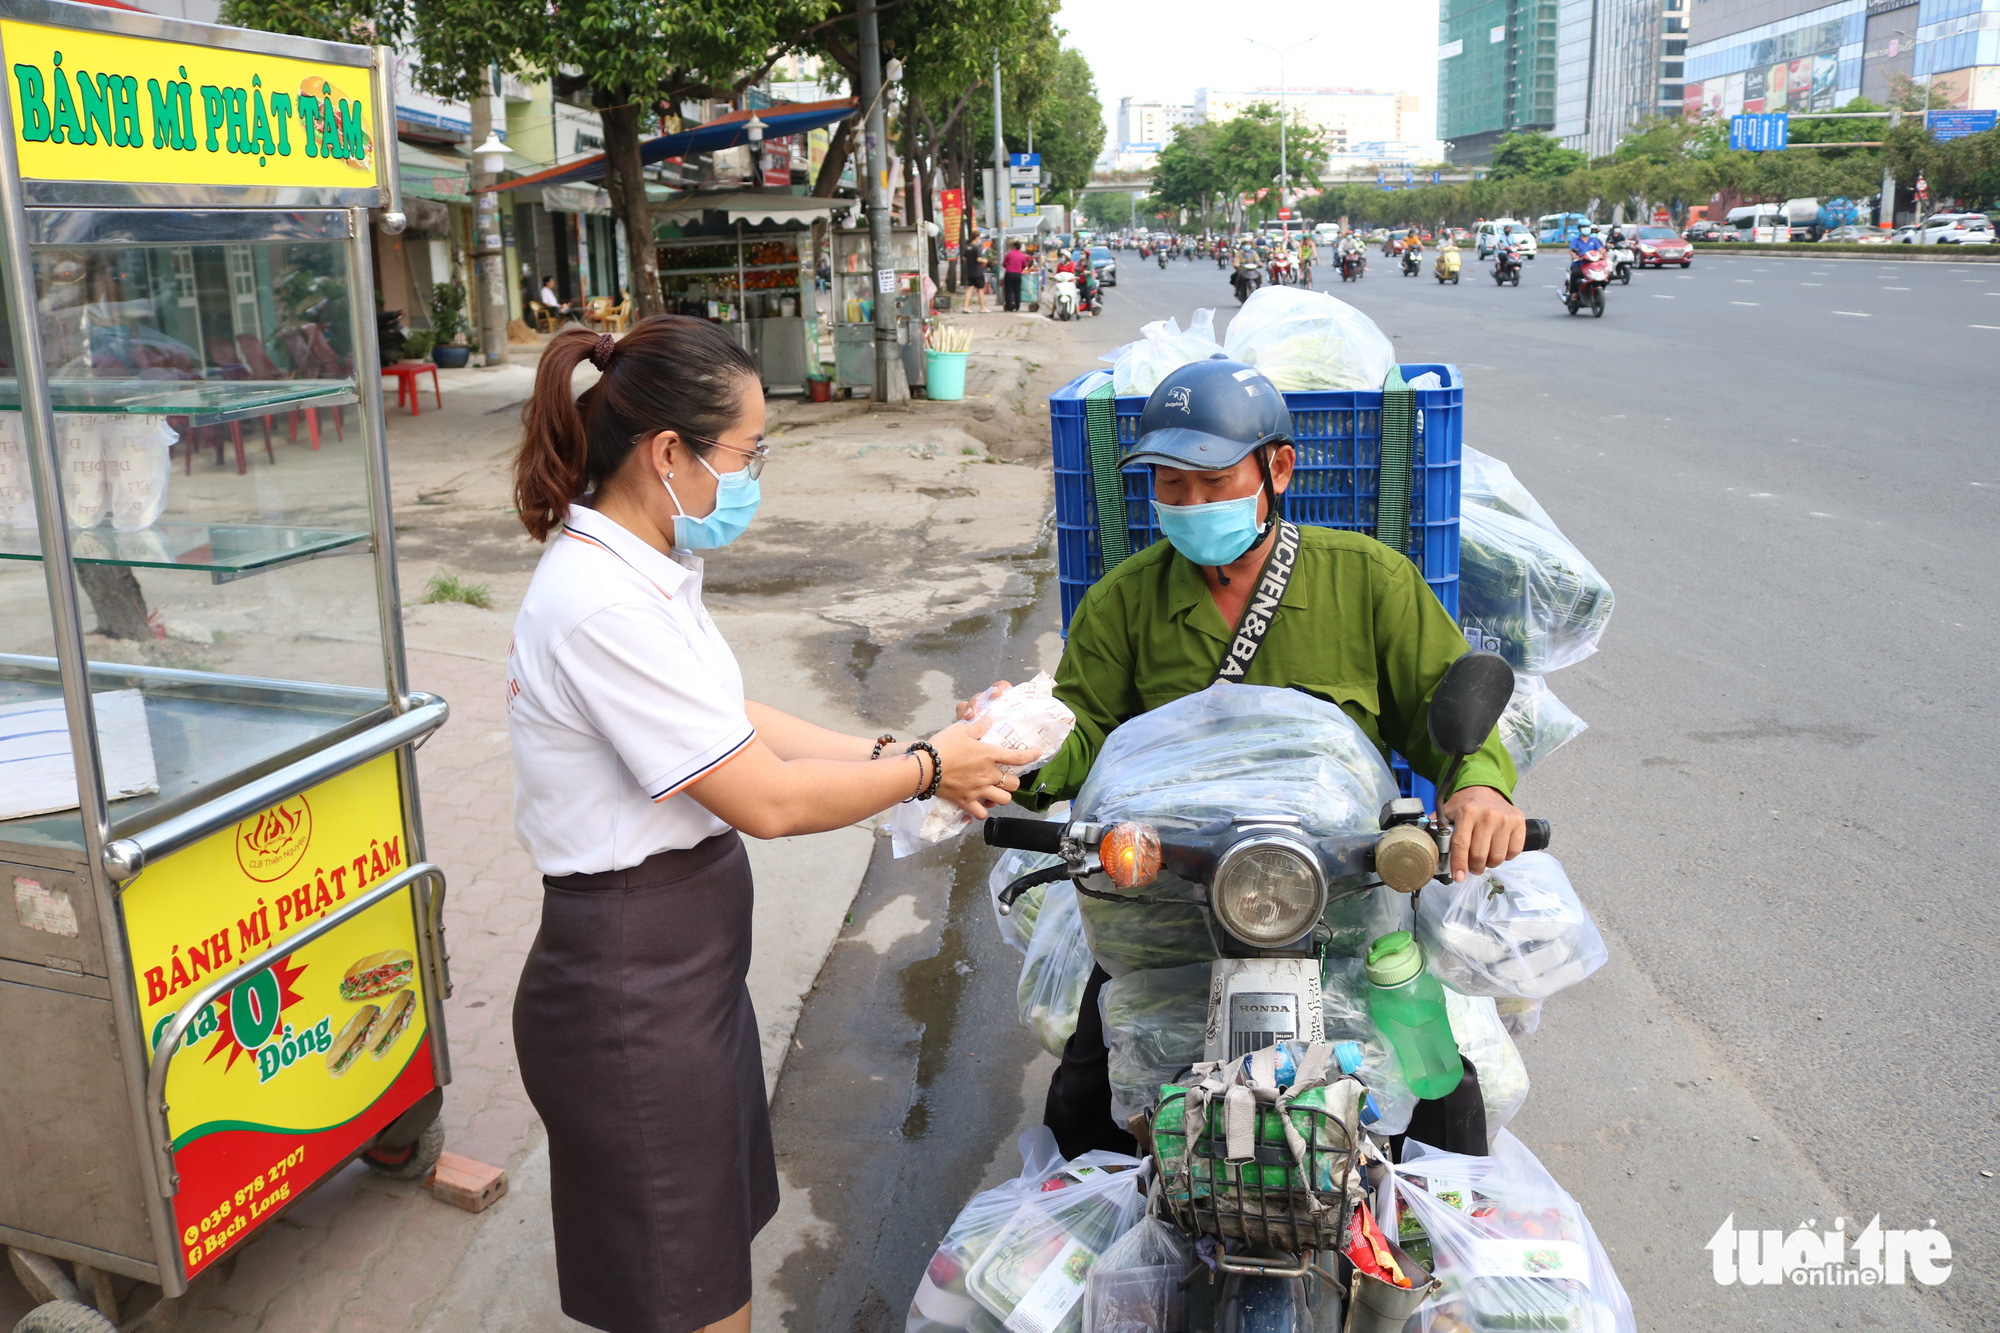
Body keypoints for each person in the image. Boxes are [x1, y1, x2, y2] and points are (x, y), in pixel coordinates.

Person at [506, 317, 1037, 1333]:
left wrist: (899, 754)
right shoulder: (600, 601)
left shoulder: (641, 564)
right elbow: (768, 799)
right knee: (696, 1304)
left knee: (702, 1273)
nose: (753, 476)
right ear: (668, 452)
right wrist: (930, 767)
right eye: (748, 453)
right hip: (632, 997)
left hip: (680, 976)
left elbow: (734, 721)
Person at [967, 357, 1528, 1163]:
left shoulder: (1368, 582)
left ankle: (1440, 1252)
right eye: (1169, 485)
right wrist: (1018, 741)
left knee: (1443, 1100)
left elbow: (1445, 713)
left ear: (1279, 468)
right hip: (1170, 899)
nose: (1190, 504)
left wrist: (1479, 790)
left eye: (1212, 481)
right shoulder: (1123, 600)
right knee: (1088, 1094)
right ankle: (1099, 1244)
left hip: (1342, 897)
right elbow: (1081, 728)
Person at [1568, 225, 1605, 294]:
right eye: (1583, 227)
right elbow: (1572, 251)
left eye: (1587, 227)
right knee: (1575, 274)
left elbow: (1600, 249)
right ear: (1579, 229)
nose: (1586, 229)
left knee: (1604, 275)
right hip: (1580, 263)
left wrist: (1604, 253)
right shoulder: (1575, 240)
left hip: (1592, 264)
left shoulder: (1594, 240)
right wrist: (1575, 256)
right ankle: (1574, 293)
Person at [1000, 240, 1028, 311]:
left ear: (1014, 246)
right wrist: (1019, 268)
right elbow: (1025, 265)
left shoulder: (1009, 254)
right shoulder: (1022, 255)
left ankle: (1008, 307)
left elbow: (1003, 264)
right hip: (1018, 274)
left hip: (1009, 273)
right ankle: (1017, 307)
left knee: (1008, 291)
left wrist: (1008, 267)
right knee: (1017, 291)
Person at [962, 243, 989, 312]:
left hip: (970, 271)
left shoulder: (968, 247)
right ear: (977, 237)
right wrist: (985, 261)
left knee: (970, 288)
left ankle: (965, 307)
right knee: (980, 289)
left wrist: (970, 261)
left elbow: (964, 258)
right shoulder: (977, 247)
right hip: (977, 271)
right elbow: (978, 259)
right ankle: (982, 308)